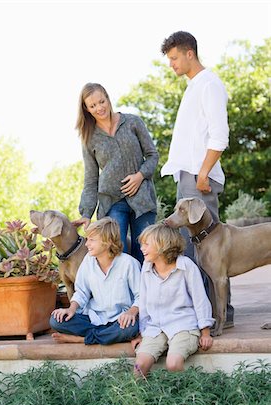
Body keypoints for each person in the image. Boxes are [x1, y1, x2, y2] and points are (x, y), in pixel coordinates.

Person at [160, 31, 234, 326]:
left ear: (190, 53)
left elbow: (220, 135)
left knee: (209, 250)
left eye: (174, 58)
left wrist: (203, 172)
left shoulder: (209, 85)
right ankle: (207, 315)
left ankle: (220, 316)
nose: (172, 64)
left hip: (199, 178)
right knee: (193, 251)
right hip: (188, 176)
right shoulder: (193, 86)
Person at [72, 82, 159, 264]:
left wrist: (140, 176)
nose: (99, 108)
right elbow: (91, 179)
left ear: (108, 98)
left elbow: (152, 155)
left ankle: (146, 293)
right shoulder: (89, 138)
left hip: (142, 198)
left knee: (147, 254)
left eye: (101, 102)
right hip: (112, 202)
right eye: (92, 106)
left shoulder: (133, 122)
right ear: (87, 109)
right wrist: (86, 213)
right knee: (117, 255)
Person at [133, 223, 214, 377]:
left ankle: (188, 396)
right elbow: (143, 302)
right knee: (139, 366)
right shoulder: (147, 267)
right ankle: (143, 400)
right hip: (156, 326)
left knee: (173, 364)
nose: (142, 248)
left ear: (163, 244)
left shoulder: (186, 266)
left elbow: (200, 299)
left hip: (183, 325)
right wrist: (142, 333)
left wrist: (205, 332)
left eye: (146, 244)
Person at [50, 217, 140, 345]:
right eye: (87, 240)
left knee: (130, 328)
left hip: (120, 320)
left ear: (107, 242)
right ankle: (106, 336)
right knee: (56, 320)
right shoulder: (88, 261)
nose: (86, 244)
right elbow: (81, 292)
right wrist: (71, 309)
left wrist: (131, 313)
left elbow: (141, 296)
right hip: (93, 318)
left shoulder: (129, 263)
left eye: (91, 240)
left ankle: (82, 339)